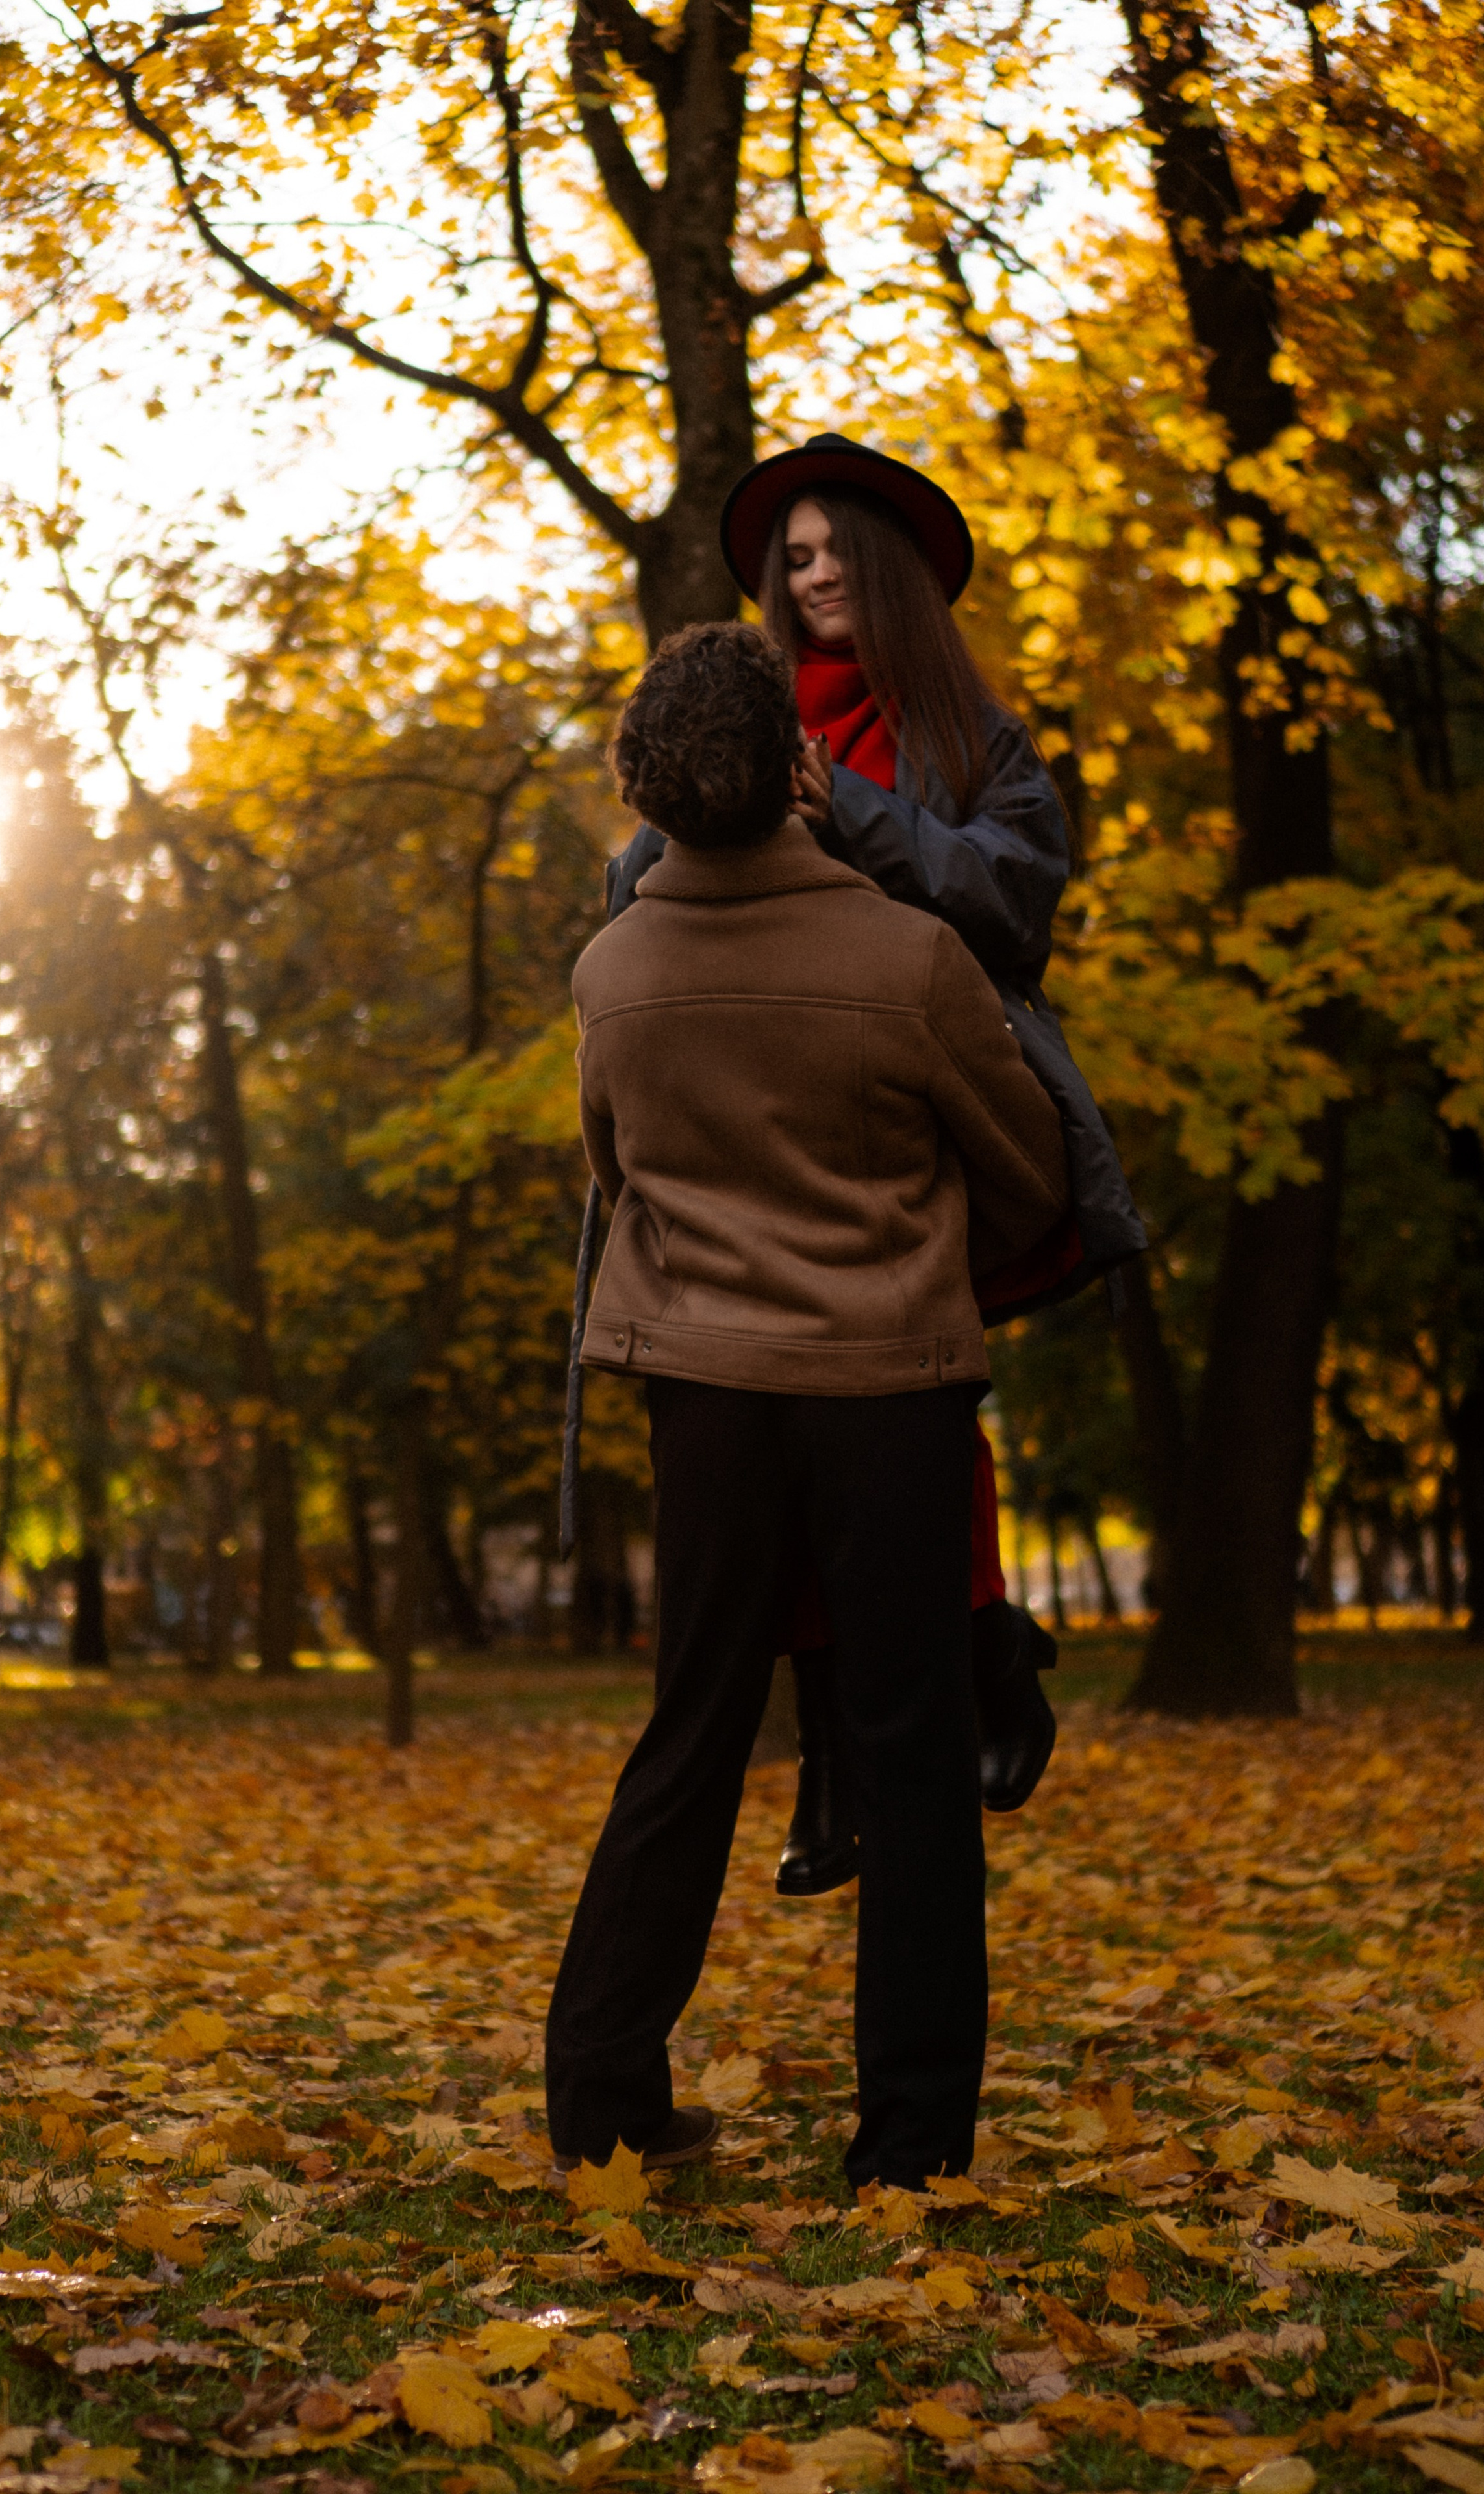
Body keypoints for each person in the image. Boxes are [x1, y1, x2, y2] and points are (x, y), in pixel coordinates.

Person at [544, 620, 1070, 2189]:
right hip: (884, 1390)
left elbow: (616, 1173)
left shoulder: (610, 974)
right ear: (796, 766)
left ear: (647, 785)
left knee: (690, 1736)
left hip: (703, 1401)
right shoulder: (908, 959)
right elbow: (1028, 1171)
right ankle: (908, 2142)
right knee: (909, 1750)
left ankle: (604, 2107)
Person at [601, 434, 1146, 1896]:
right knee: (793, 1430)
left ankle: (963, 1657)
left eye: (838, 548)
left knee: (914, 1400)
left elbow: (1016, 900)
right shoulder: (744, 720)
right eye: (793, 557)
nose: (815, 572)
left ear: (892, 568)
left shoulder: (971, 738)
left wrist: (857, 815)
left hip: (921, 1106)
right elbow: (634, 886)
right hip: (766, 1117)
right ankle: (869, 1727)